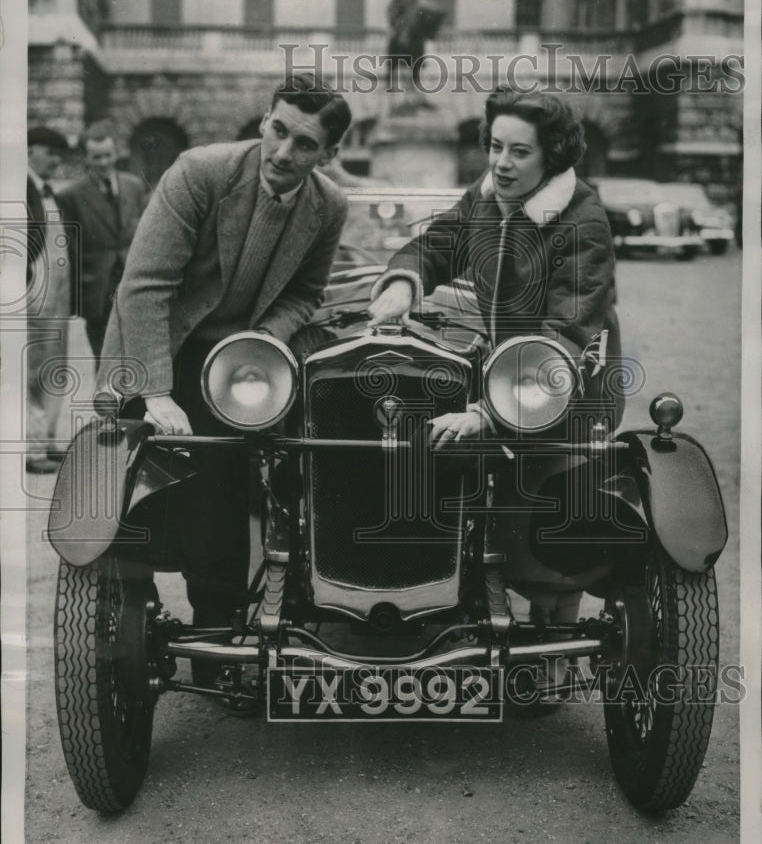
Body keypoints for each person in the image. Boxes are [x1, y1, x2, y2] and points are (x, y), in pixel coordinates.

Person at [96, 73, 352, 657]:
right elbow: (144, 286)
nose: (283, 153)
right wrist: (157, 393)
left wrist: (262, 341)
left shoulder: (329, 206)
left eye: (305, 144)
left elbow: (305, 296)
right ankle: (118, 629)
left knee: (225, 489)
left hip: (233, 367)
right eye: (278, 130)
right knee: (128, 493)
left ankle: (218, 641)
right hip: (153, 345)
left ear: (329, 154)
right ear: (264, 120)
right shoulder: (199, 171)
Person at [368, 88, 623, 671]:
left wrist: (486, 412)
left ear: (552, 157)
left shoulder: (582, 220)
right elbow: (436, 245)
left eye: (519, 151)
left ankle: (555, 645)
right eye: (494, 146)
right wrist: (404, 282)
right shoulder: (487, 199)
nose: (501, 163)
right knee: (457, 469)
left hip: (569, 377)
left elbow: (566, 334)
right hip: (505, 368)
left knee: (547, 510)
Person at [58, 121, 148, 363]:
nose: (103, 163)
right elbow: (69, 251)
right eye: (96, 157)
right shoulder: (70, 197)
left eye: (107, 155)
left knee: (136, 359)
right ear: (86, 158)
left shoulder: (134, 186)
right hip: (97, 293)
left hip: (132, 286)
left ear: (117, 153)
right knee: (105, 362)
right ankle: (108, 401)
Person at [26, 126, 72, 474]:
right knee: (31, 372)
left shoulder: (47, 192)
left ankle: (49, 440)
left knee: (54, 369)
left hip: (57, 300)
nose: (56, 160)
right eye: (50, 151)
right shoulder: (20, 187)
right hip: (33, 296)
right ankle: (32, 449)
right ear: (31, 151)